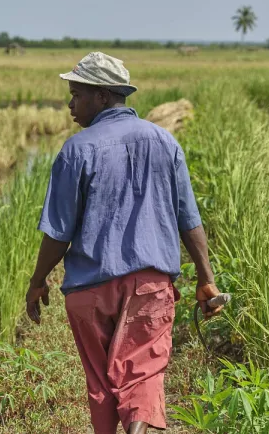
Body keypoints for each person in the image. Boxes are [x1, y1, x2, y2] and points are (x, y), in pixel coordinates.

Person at [25, 52, 224, 434]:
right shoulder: (165, 142)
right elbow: (190, 220)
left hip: (89, 290)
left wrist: (37, 282)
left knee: (100, 385)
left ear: (102, 96)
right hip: (149, 287)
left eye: (77, 94)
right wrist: (206, 277)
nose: (70, 104)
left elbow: (58, 233)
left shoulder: (76, 150)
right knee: (142, 377)